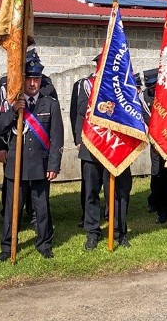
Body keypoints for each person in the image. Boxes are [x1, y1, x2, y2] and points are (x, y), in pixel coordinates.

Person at [0, 59, 64, 261]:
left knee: (42, 208)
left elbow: (56, 137)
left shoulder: (50, 104)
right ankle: (7, 246)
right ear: (22, 81)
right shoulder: (13, 103)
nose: (33, 84)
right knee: (11, 210)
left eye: (37, 79)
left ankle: (44, 244)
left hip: (40, 167)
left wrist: (53, 165)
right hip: (16, 166)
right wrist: (13, 111)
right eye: (29, 79)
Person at [70, 53, 108, 249]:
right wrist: (79, 139)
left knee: (114, 192)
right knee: (91, 191)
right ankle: (92, 231)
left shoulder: (118, 88)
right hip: (91, 144)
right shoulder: (85, 85)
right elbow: (77, 112)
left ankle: (118, 230)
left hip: (112, 147)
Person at [142, 68, 167, 224]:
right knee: (157, 172)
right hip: (155, 142)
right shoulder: (144, 97)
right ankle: (156, 202)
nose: (153, 90)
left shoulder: (166, 94)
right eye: (150, 87)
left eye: (155, 86)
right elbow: (145, 118)